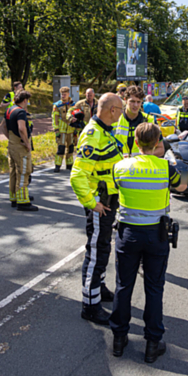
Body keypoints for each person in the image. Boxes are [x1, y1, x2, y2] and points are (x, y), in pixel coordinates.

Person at [110, 122, 187, 363]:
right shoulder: (165, 168)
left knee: (124, 285)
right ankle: (153, 343)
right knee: (154, 287)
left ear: (135, 141)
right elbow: (183, 187)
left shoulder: (121, 166)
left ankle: (119, 339)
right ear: (158, 144)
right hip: (156, 235)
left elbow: (114, 187)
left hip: (128, 234)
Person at [70, 93, 125, 325]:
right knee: (95, 254)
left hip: (108, 202)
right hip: (99, 204)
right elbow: (77, 175)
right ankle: (90, 306)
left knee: (103, 248)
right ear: (112, 110)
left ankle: (99, 287)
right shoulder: (93, 135)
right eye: (120, 109)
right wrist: (92, 202)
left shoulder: (105, 132)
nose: (122, 113)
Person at [2, 91, 38, 211]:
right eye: (27, 101)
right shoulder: (21, 112)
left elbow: (3, 126)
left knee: (13, 171)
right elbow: (22, 128)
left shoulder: (9, 110)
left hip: (11, 144)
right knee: (23, 171)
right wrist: (27, 144)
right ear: (24, 100)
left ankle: (14, 197)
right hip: (20, 146)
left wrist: (10, 138)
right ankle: (23, 201)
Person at [115, 85, 165, 158]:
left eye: (138, 102)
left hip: (142, 166)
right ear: (125, 100)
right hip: (121, 166)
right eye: (132, 101)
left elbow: (161, 150)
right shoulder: (116, 119)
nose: (135, 105)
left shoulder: (150, 120)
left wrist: (140, 156)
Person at [52, 86, 76, 172]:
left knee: (70, 148)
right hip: (61, 130)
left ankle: (69, 165)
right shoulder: (57, 105)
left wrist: (76, 128)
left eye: (65, 94)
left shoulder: (73, 104)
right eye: (62, 94)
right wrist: (56, 129)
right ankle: (57, 165)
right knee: (61, 148)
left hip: (70, 130)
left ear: (68, 94)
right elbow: (54, 118)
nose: (63, 95)